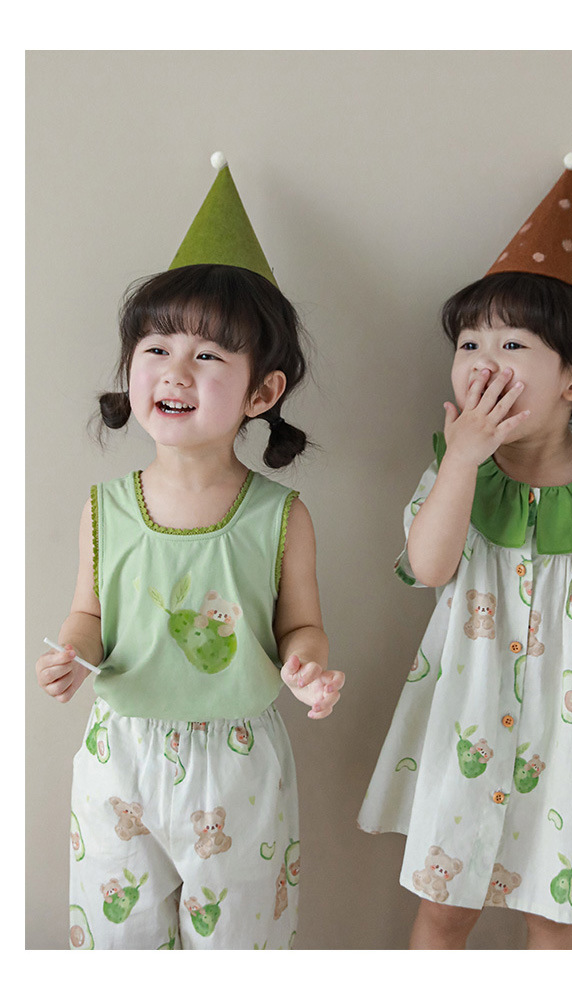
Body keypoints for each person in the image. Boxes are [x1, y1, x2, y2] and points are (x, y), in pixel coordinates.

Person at [357, 155, 572, 949]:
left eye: (511, 344)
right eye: (469, 343)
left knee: (553, 914)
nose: (482, 361)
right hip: (469, 724)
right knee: (445, 906)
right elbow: (429, 566)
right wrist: (462, 458)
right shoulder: (456, 473)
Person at [35, 153, 344, 950]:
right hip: (121, 757)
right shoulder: (105, 507)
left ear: (261, 393)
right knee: (118, 944)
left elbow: (301, 626)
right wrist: (72, 654)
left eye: (208, 356)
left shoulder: (280, 516)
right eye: (157, 348)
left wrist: (307, 666)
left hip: (238, 763)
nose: (176, 370)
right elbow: (89, 613)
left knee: (238, 942)